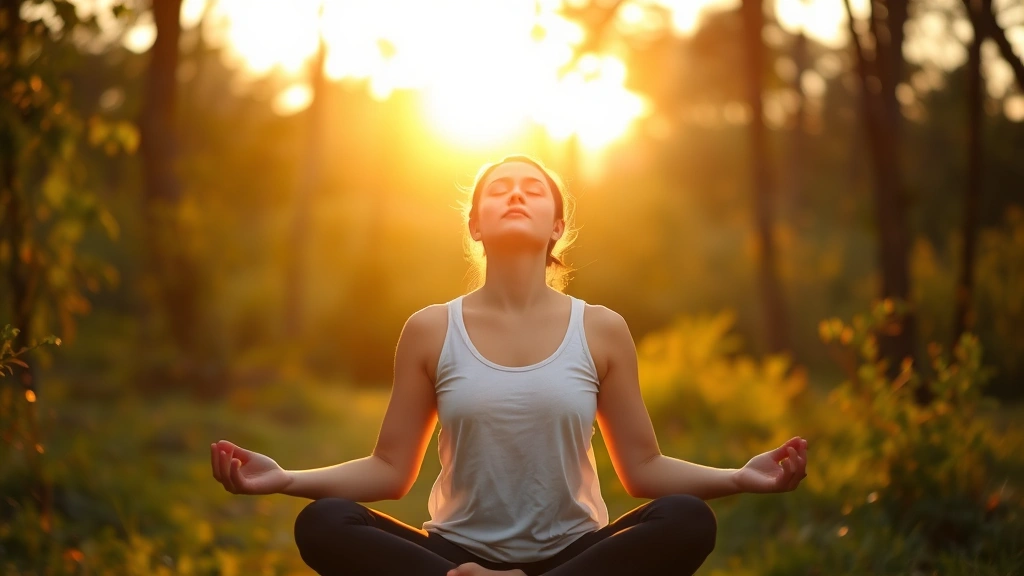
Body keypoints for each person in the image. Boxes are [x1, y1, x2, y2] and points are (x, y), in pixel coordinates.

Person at [210, 155, 809, 576]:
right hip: (454, 557)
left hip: (575, 558)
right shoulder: (430, 328)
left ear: (557, 226)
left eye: (532, 188)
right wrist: (284, 479)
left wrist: (740, 478)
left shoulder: (600, 327)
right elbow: (390, 470)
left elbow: (643, 470)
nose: (515, 193)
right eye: (498, 188)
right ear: (475, 224)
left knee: (686, 519)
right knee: (325, 522)